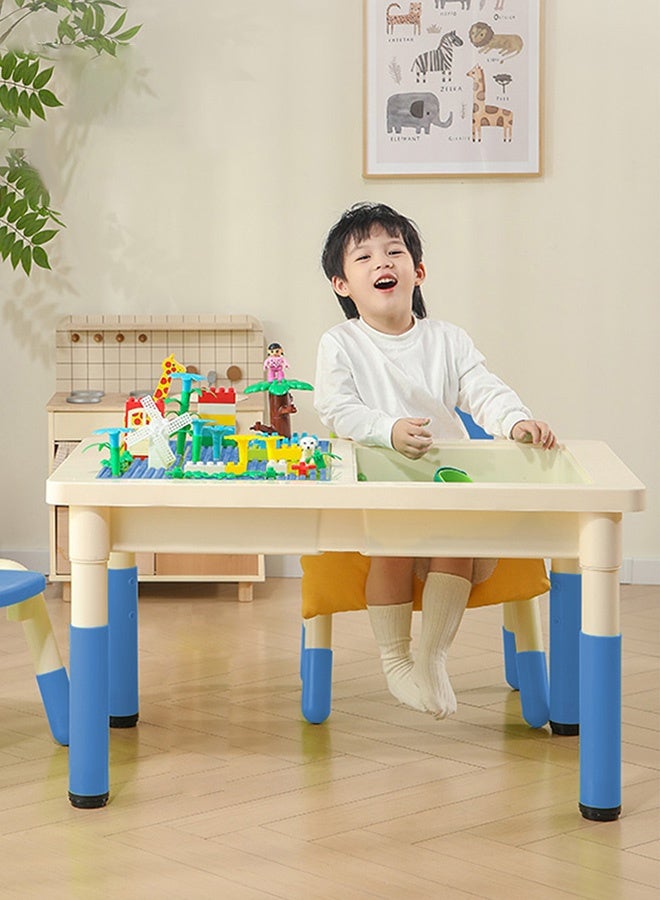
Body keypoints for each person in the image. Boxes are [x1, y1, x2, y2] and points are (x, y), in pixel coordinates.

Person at [314, 202, 556, 718]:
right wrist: (387, 429)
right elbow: (335, 407)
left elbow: (483, 389)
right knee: (393, 546)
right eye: (365, 256)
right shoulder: (340, 343)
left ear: (417, 272)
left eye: (394, 251)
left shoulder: (447, 339)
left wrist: (515, 421)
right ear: (342, 284)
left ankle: (431, 657)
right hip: (381, 479)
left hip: (447, 481)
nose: (383, 261)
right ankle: (395, 660)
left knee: (459, 540)